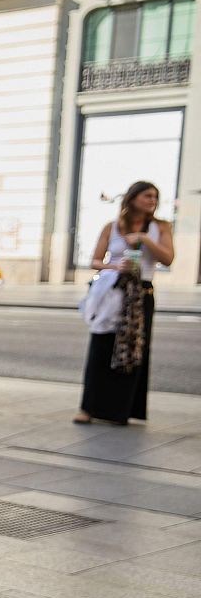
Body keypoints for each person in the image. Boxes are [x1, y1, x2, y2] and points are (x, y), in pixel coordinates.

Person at [75, 181, 174, 426]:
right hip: (114, 291)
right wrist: (115, 266)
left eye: (155, 197)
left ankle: (121, 410)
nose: (152, 200)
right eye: (147, 196)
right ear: (132, 198)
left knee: (133, 349)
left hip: (141, 294)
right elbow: (95, 261)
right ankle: (88, 407)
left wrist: (144, 239)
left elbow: (168, 258)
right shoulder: (112, 227)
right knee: (101, 346)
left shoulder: (160, 227)